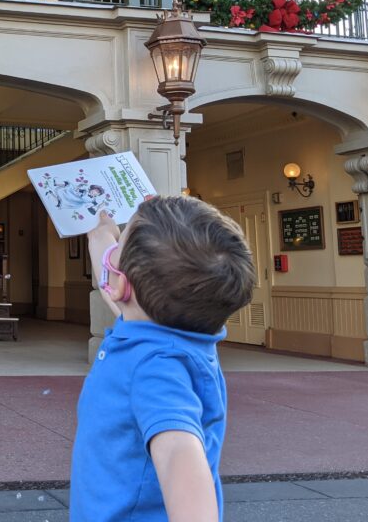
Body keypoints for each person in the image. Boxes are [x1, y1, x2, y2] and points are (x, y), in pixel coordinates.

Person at [70, 195, 256, 522]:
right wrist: (101, 238)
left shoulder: (156, 368)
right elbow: (116, 293)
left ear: (122, 285)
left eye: (117, 250)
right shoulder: (162, 334)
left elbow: (177, 453)